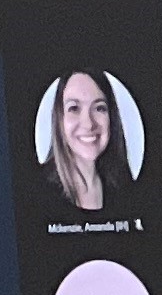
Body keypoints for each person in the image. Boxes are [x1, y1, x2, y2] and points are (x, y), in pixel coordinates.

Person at [45, 67, 118, 213]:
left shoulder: (123, 185)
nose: (89, 124)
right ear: (59, 119)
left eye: (99, 108)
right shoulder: (37, 190)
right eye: (74, 108)